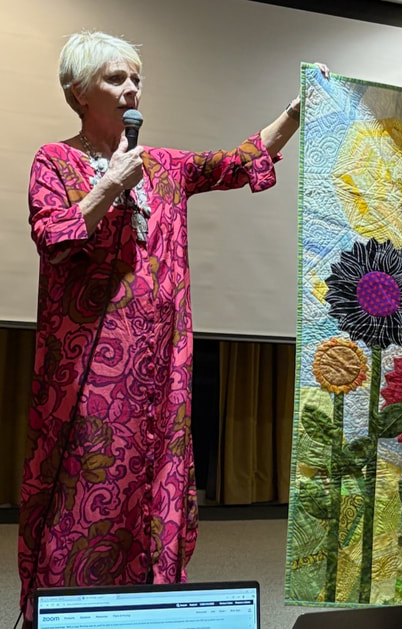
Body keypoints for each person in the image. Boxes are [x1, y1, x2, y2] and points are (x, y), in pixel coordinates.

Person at [17, 30, 328, 626]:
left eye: (136, 77)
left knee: (153, 488)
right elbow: (54, 237)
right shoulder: (53, 161)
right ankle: (67, 614)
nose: (131, 88)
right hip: (89, 374)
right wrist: (110, 184)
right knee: (87, 492)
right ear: (79, 93)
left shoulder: (162, 167)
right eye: (115, 78)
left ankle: (149, 610)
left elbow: (237, 163)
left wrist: (296, 111)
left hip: (160, 371)